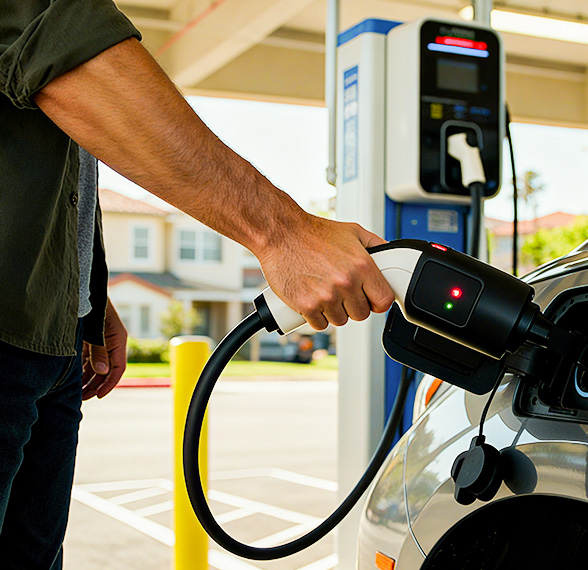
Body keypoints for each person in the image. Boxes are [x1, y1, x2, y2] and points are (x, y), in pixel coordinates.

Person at [0, 2, 394, 568]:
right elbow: (64, 49)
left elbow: (54, 159)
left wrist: (83, 288)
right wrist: (283, 233)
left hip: (54, 337)